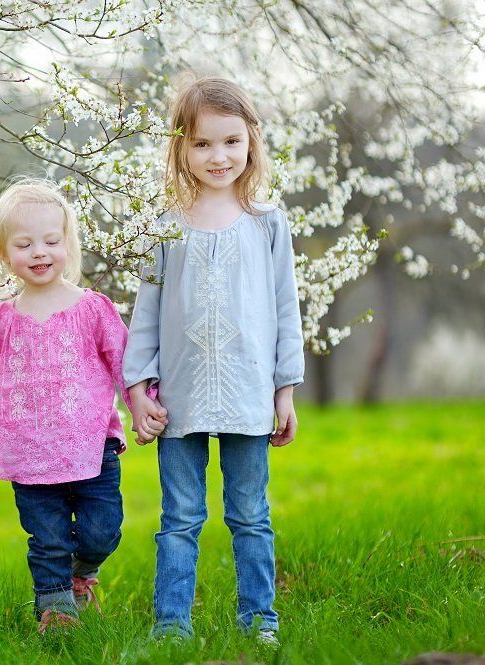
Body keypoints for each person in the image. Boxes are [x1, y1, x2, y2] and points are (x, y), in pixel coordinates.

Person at [0, 178, 165, 634]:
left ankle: (81, 574)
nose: (40, 252)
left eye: (51, 240)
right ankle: (57, 612)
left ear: (68, 244)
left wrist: (143, 404)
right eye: (25, 244)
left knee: (102, 531)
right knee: (46, 540)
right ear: (5, 254)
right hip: (29, 454)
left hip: (93, 451)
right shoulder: (2, 319)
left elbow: (127, 364)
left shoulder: (93, 309)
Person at [123, 77, 305, 646]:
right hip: (178, 399)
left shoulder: (267, 221)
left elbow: (285, 308)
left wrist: (285, 390)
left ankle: (260, 622)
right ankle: (171, 627)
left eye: (230, 141)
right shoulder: (166, 224)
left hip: (251, 396)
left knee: (250, 515)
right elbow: (146, 310)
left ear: (250, 141)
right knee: (179, 519)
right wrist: (137, 389)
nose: (218, 156)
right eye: (202, 144)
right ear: (180, 147)